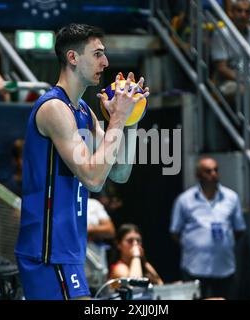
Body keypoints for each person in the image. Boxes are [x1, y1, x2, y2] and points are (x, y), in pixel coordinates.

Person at [14, 23, 149, 300]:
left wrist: (130, 119)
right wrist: (119, 120)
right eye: (97, 54)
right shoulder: (54, 109)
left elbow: (119, 172)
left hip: (70, 251)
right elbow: (94, 179)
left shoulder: (85, 112)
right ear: (73, 58)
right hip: (47, 251)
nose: (106, 62)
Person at [170, 157, 246, 299]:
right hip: (194, 266)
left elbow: (239, 229)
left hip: (224, 267)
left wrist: (223, 244)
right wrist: (194, 245)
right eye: (208, 171)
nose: (213, 174)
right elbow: (175, 231)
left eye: (216, 170)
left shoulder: (231, 198)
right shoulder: (184, 200)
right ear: (198, 175)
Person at [211, 0, 250, 98]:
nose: (243, 15)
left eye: (247, 12)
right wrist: (245, 81)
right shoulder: (220, 34)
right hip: (231, 80)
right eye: (239, 11)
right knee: (245, 92)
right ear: (231, 13)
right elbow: (222, 68)